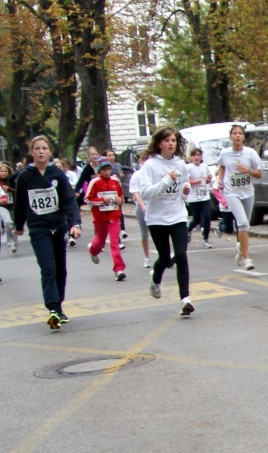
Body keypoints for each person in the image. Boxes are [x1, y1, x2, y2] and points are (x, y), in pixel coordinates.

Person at [11, 134, 82, 329]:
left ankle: (58, 306)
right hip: (38, 229)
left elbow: (68, 200)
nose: (41, 152)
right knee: (48, 268)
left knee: (60, 269)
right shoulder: (25, 176)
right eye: (37, 149)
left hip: (59, 227)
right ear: (31, 152)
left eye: (44, 148)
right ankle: (52, 308)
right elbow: (20, 203)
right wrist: (18, 225)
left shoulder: (57, 174)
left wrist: (75, 223)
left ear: (49, 152)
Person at [137, 127, 196, 316]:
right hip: (157, 218)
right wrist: (166, 182)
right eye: (167, 140)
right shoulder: (150, 165)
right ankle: (155, 279)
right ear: (159, 144)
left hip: (177, 215)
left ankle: (185, 299)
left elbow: (184, 184)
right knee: (164, 258)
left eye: (173, 140)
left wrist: (185, 190)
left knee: (181, 255)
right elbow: (145, 193)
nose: (171, 143)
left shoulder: (180, 164)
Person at [215, 125, 261, 271]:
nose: (237, 136)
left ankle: (241, 249)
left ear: (243, 137)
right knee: (242, 224)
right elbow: (222, 166)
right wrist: (220, 179)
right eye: (234, 133)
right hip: (231, 192)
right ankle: (247, 259)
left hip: (248, 192)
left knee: (246, 225)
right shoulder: (225, 153)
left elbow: (258, 174)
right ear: (231, 137)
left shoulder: (251, 153)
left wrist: (248, 170)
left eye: (240, 133)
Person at [84, 161, 128, 281]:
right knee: (100, 241)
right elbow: (87, 199)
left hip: (114, 216)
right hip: (100, 217)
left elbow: (121, 196)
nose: (107, 172)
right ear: (100, 171)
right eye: (104, 170)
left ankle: (119, 269)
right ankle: (93, 250)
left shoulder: (115, 181)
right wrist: (101, 201)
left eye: (109, 169)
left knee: (115, 242)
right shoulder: (95, 182)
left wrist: (120, 200)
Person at [184, 147, 215, 248]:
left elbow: (207, 180)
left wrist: (208, 179)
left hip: (205, 196)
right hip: (194, 197)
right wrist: (195, 181)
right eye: (194, 155)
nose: (196, 157)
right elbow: (185, 181)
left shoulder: (204, 166)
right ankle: (189, 230)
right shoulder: (188, 167)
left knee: (207, 216)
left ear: (201, 157)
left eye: (198, 155)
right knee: (196, 219)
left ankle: (205, 239)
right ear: (191, 157)